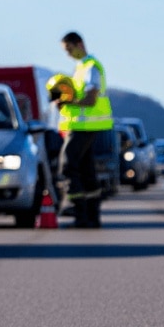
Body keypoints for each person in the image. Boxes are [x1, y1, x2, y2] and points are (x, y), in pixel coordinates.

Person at [54, 31, 114, 228]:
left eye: (69, 49)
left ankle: (78, 209)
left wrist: (68, 101)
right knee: (86, 171)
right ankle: (91, 216)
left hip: (86, 126)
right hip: (80, 126)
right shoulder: (80, 68)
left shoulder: (91, 68)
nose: (68, 54)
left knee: (68, 165)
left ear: (79, 44)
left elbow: (90, 99)